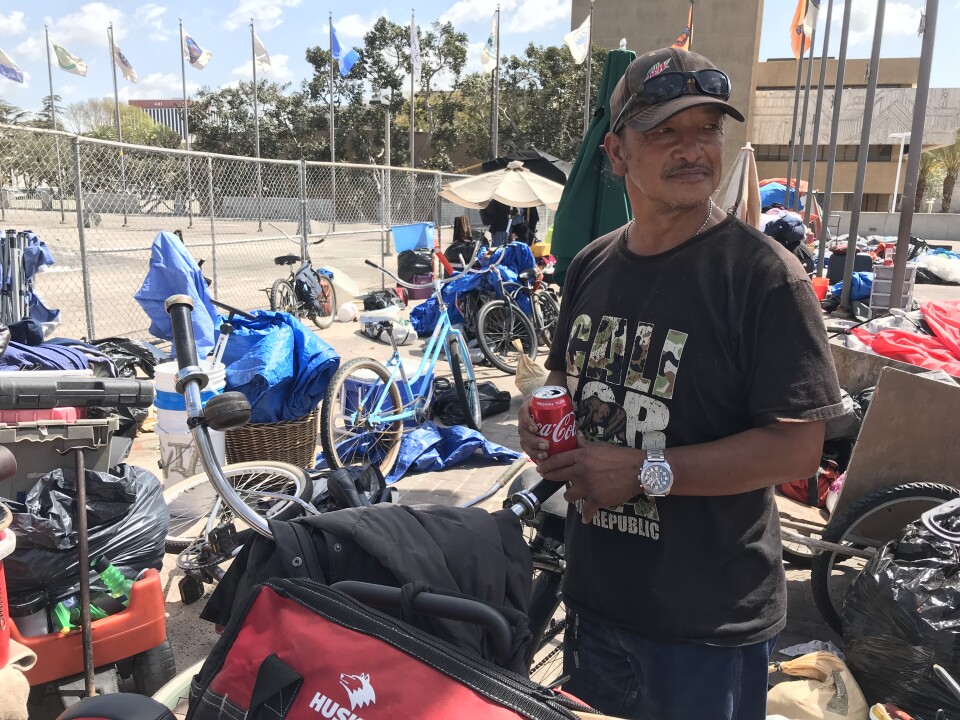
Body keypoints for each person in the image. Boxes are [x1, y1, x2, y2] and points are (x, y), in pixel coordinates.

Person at [517, 47, 843, 720]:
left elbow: (796, 451)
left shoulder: (763, 278)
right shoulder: (589, 266)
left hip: (706, 627)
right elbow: (561, 378)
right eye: (665, 131)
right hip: (595, 599)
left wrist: (645, 472)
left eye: (706, 130)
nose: (693, 150)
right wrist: (539, 418)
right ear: (617, 154)